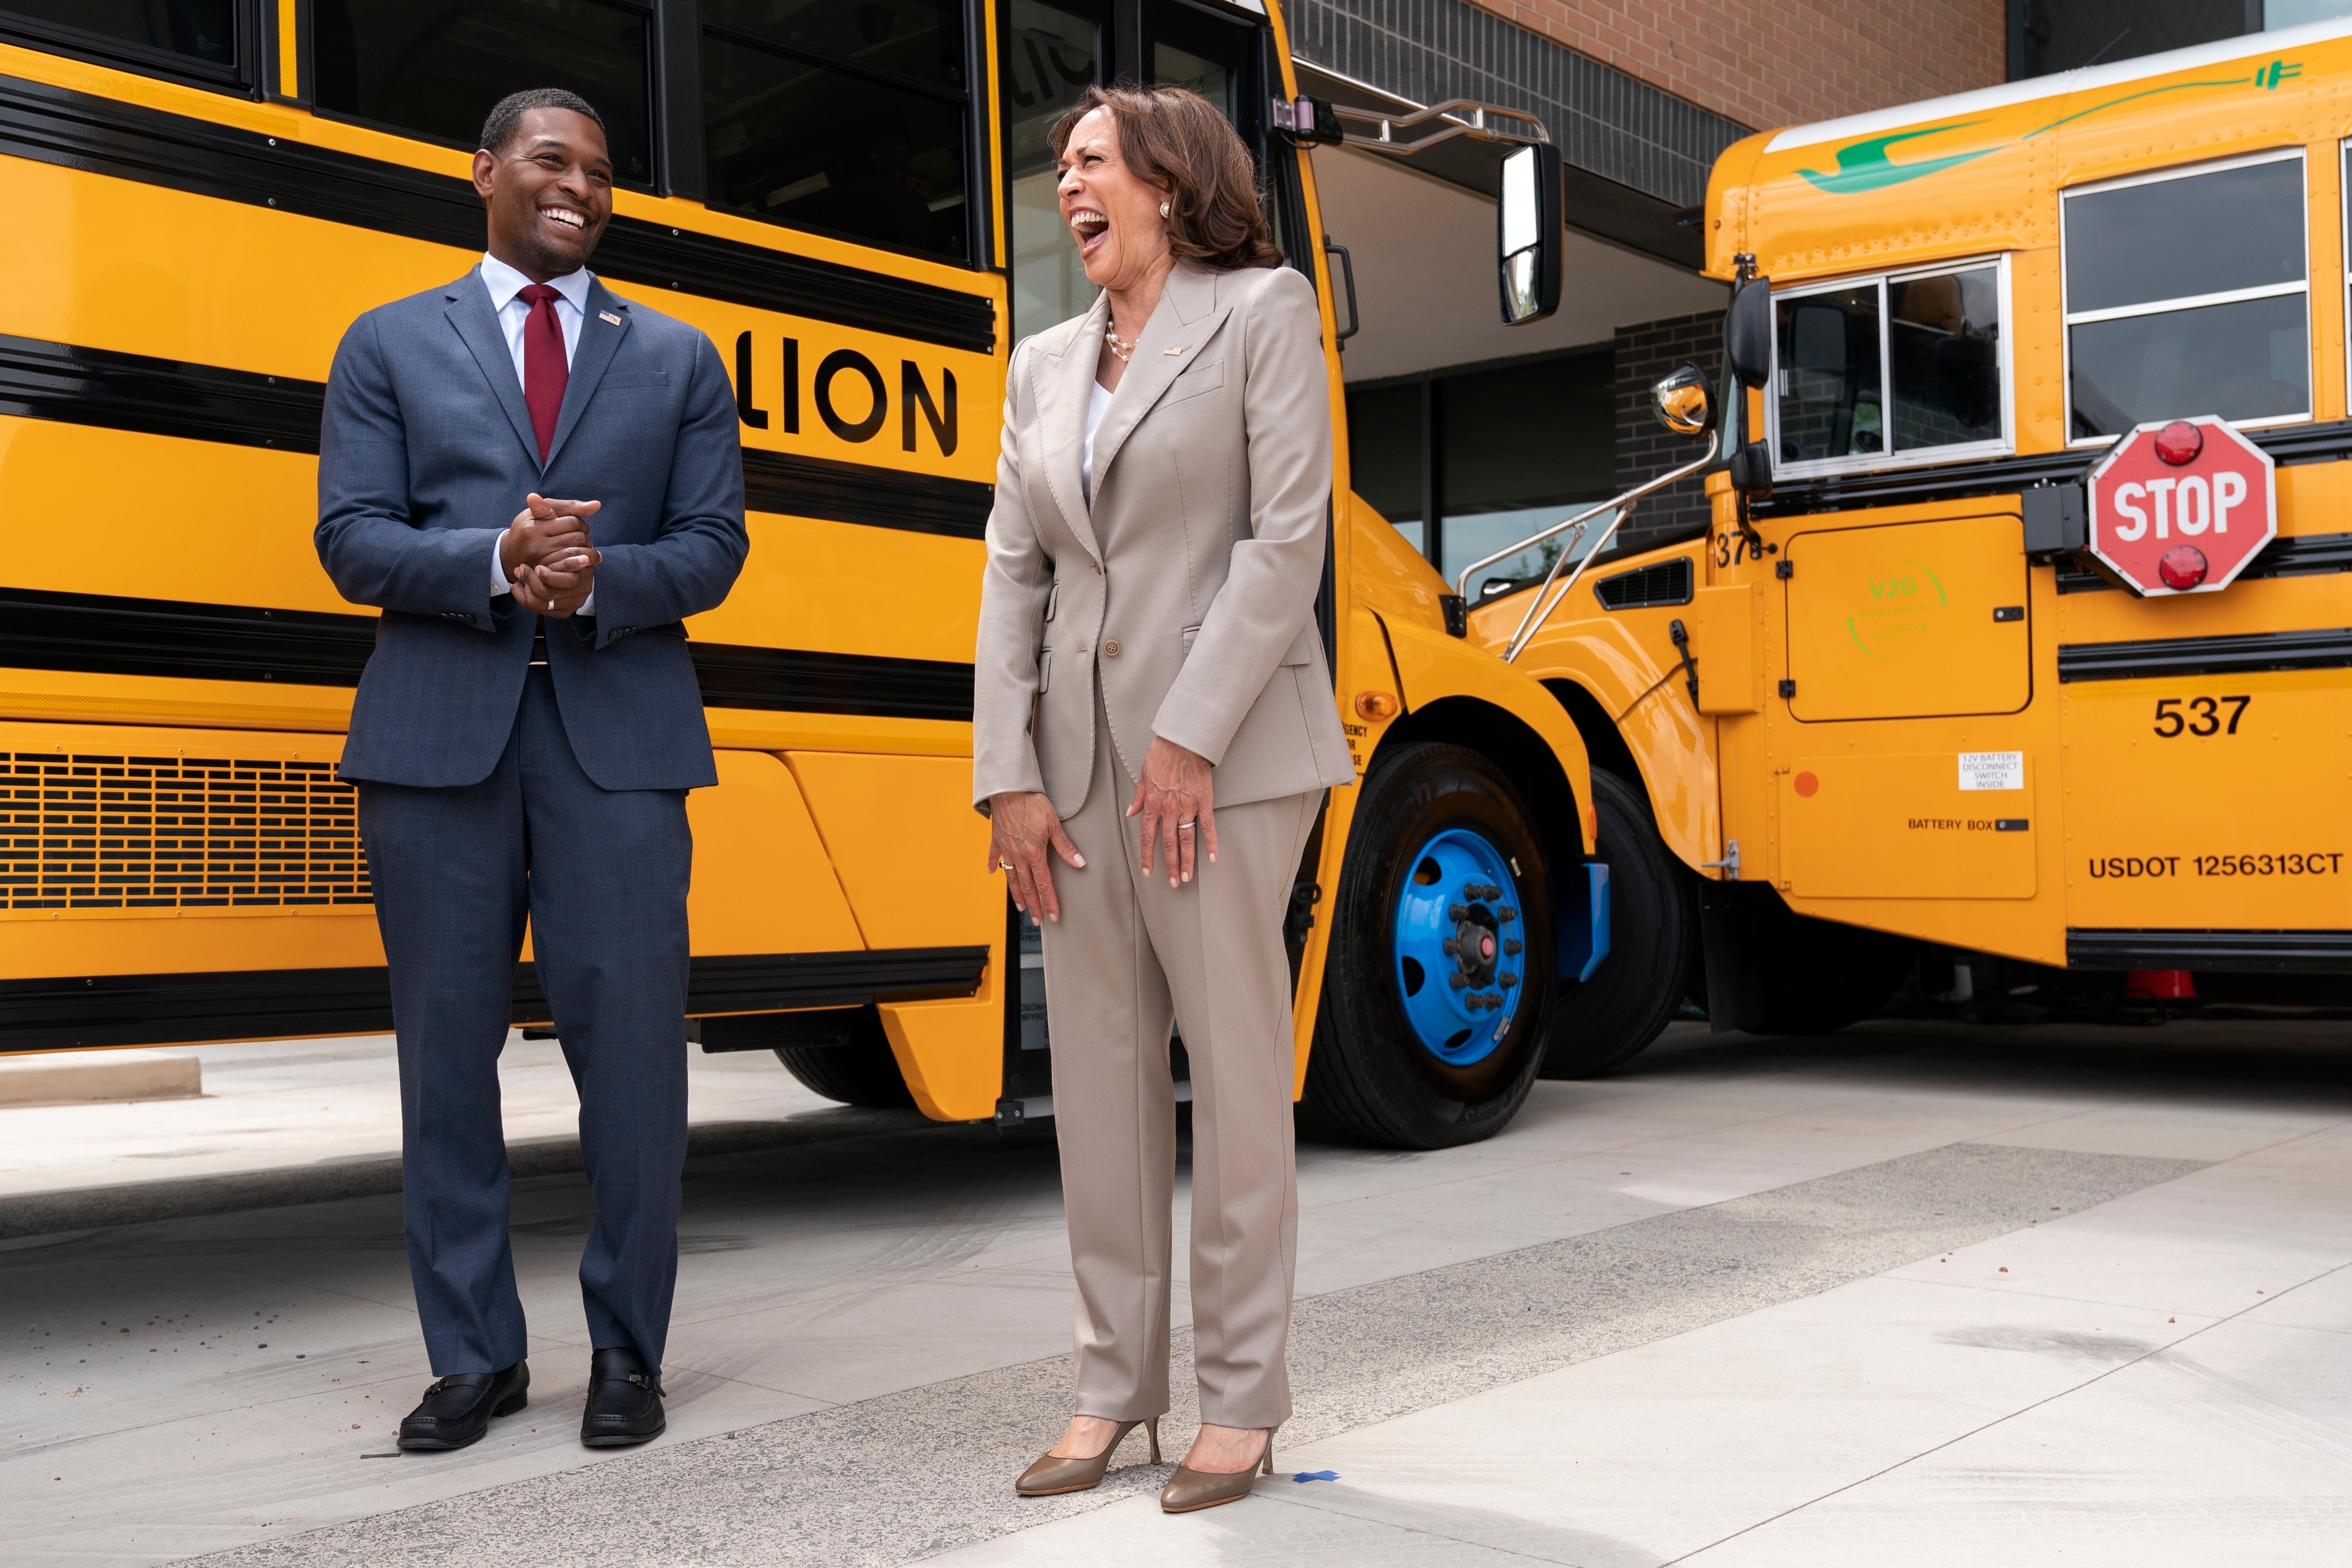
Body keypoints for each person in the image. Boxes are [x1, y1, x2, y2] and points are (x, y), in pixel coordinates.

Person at [315, 87, 748, 1453]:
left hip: (617, 746)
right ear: (486, 172)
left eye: (601, 174)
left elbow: (714, 546)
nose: (579, 188)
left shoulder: (675, 358)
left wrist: (595, 578)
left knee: (633, 1068)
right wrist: (497, 561)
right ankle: (473, 1356)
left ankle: (629, 1348)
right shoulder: (387, 342)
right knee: (445, 1062)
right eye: (552, 162)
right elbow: (352, 536)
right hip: (437, 745)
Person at [972, 84, 1354, 1514]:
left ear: (1166, 178)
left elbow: (1283, 541)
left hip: (1227, 766)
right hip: (1071, 779)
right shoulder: (1042, 363)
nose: (1066, 184)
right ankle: (1107, 1392)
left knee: (1238, 1086)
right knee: (1099, 1096)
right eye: (1059, 167)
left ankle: (1240, 1402)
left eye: (1089, 160)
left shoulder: (1260, 311)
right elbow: (1016, 570)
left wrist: (1188, 735)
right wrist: (1006, 772)